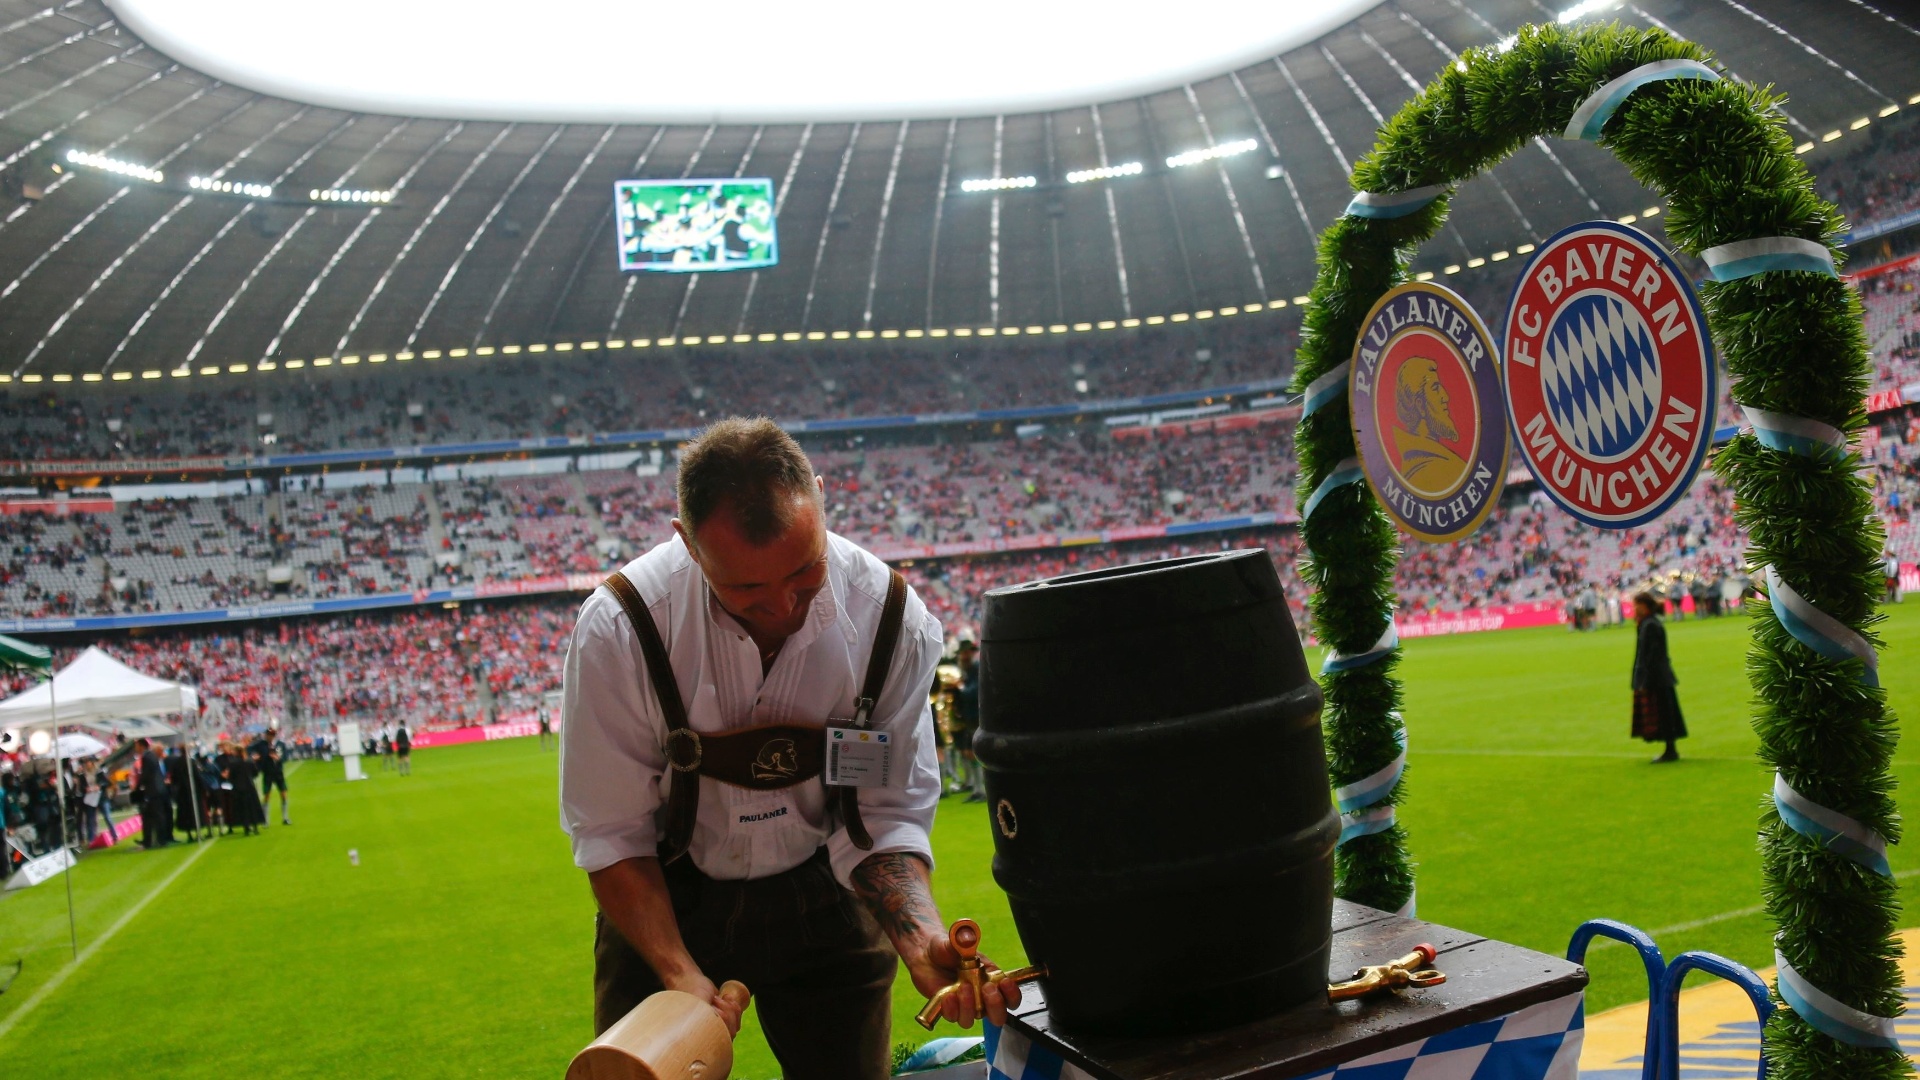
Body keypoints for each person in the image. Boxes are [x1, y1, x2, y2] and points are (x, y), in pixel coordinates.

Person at [561, 418, 1014, 1080]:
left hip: (825, 891)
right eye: (746, 589)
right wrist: (678, 973)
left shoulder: (890, 621)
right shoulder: (621, 630)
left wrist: (921, 938)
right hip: (669, 894)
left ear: (822, 500)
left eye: (805, 572)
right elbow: (612, 835)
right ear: (686, 544)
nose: (783, 606)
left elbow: (881, 815)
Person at [1631, 591, 1687, 763]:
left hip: (1657, 677)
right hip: (1660, 675)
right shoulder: (1649, 623)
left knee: (1664, 714)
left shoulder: (1650, 625)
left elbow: (1650, 656)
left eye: (1637, 604)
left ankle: (1670, 750)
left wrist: (1643, 679)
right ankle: (1670, 749)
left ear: (1644, 605)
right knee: (1666, 713)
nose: (1634, 608)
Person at [951, 640, 984, 802]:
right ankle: (977, 788)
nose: (963, 656)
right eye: (962, 653)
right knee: (969, 753)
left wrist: (960, 687)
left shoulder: (977, 670)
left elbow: (974, 693)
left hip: (976, 717)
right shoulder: (966, 671)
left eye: (966, 653)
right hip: (968, 718)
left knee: (975, 753)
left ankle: (982, 790)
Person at [133, 739, 172, 848]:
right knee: (150, 816)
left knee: (155, 815)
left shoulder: (147, 757)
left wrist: (137, 787)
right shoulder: (151, 756)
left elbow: (146, 774)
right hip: (157, 789)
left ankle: (158, 839)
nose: (135, 748)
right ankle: (150, 840)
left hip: (153, 791)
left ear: (141, 746)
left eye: (136, 746)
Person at [223, 743, 266, 836]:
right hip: (249, 787)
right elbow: (255, 773)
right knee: (252, 807)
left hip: (238, 788)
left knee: (242, 808)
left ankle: (246, 827)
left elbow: (230, 777)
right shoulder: (249, 761)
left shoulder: (233, 763)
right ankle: (255, 826)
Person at [251, 728, 291, 826]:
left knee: (283, 794)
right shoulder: (261, 744)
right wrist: (254, 756)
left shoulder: (280, 744)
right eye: (268, 734)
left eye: (271, 735)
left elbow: (285, 756)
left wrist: (278, 758)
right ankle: (266, 820)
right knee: (267, 795)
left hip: (278, 773)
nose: (269, 736)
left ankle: (285, 817)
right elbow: (249, 749)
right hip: (267, 772)